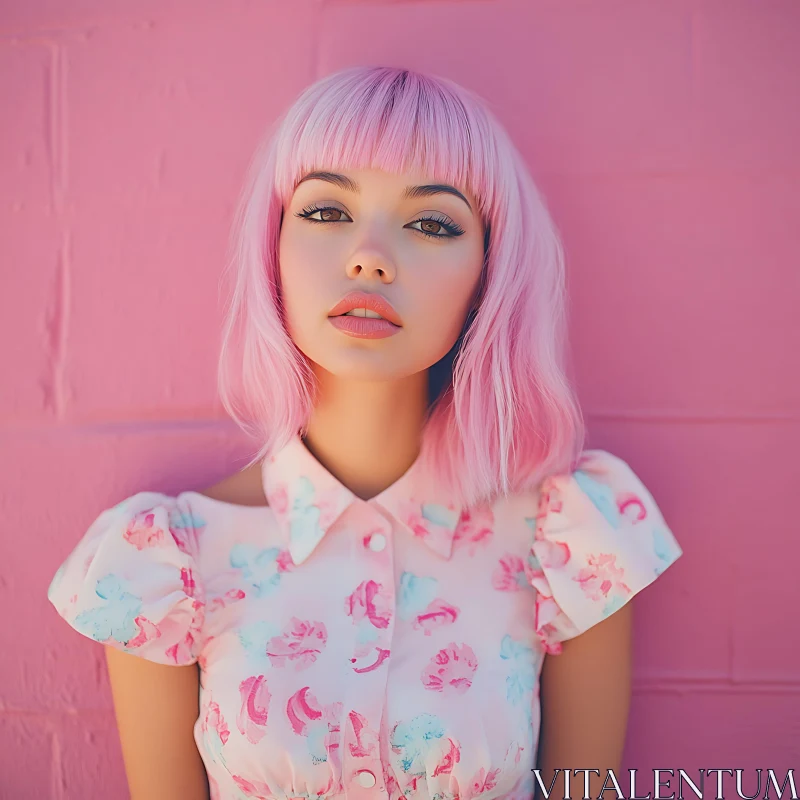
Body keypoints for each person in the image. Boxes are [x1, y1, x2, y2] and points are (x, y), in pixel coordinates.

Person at [47, 66, 683, 800]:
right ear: (272, 247)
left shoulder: (567, 541)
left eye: (432, 223)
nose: (370, 255)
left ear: (488, 275)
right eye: (325, 212)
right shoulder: (167, 563)